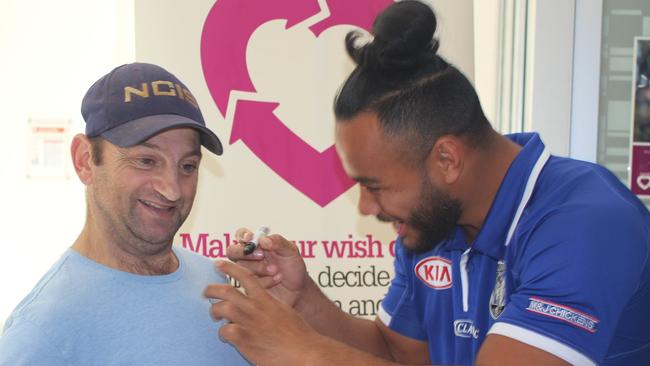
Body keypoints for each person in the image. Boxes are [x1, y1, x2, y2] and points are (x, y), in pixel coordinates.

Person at [204, 1, 650, 365]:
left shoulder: (586, 221)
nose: (364, 206)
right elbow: (398, 353)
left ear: (446, 159)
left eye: (374, 185)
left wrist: (303, 352)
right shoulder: (434, 224)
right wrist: (303, 301)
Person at [0, 63, 248, 365]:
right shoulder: (42, 332)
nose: (172, 190)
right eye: (146, 161)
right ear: (85, 161)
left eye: (188, 166)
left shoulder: (220, 286)